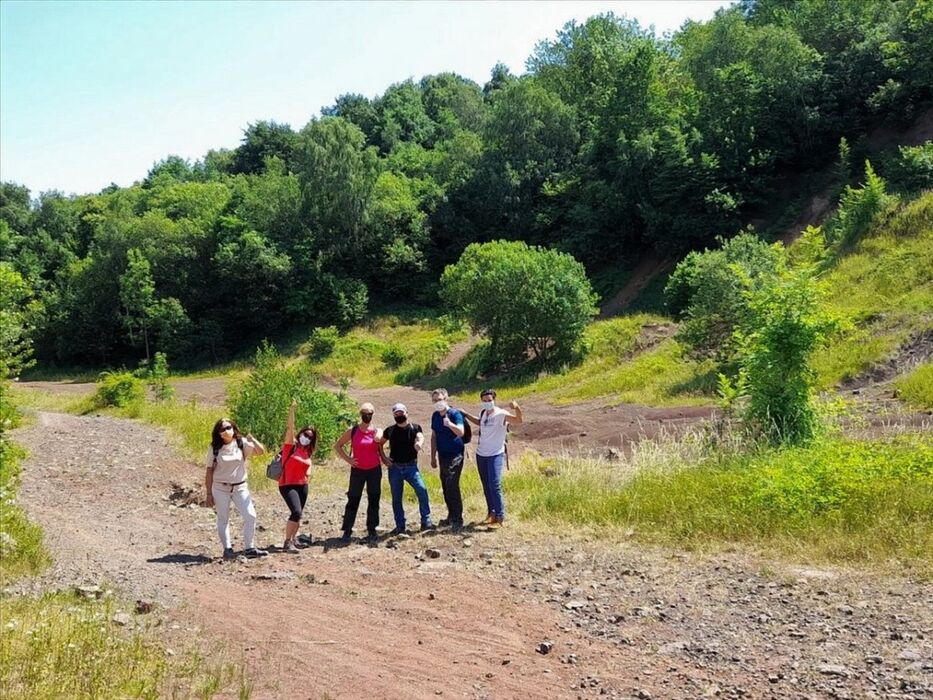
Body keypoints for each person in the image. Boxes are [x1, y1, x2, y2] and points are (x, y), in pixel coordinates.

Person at [205, 418, 269, 559]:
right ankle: (227, 549)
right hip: (220, 487)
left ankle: (249, 548)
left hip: (240, 487)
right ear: (218, 433)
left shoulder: (241, 443)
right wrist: (209, 494)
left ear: (234, 429)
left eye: (228, 427)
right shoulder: (214, 448)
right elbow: (209, 470)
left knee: (250, 515)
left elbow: (260, 452)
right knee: (223, 518)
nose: (226, 431)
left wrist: (253, 439)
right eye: (222, 429)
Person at [463, 389, 522, 527]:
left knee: (494, 485)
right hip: (481, 454)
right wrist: (465, 415)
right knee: (486, 485)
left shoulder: (502, 414)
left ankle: (500, 517)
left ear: (494, 400)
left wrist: (517, 407)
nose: (487, 403)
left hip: (496, 454)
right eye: (484, 401)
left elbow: (519, 420)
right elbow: (479, 422)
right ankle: (491, 513)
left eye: (490, 400)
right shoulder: (483, 413)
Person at [379, 402, 433, 534]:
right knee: (396, 497)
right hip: (395, 468)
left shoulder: (415, 427)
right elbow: (379, 444)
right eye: (396, 414)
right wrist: (385, 459)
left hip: (411, 467)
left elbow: (420, 436)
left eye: (401, 413)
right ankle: (400, 525)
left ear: (406, 413)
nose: (399, 415)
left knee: (422, 490)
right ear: (393, 415)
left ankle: (426, 521)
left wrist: (419, 443)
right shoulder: (390, 430)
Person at [334, 402, 383, 543]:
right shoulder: (353, 430)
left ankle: (372, 529)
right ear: (361, 414)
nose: (367, 416)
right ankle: (347, 530)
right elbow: (338, 445)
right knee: (353, 499)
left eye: (369, 413)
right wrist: (348, 459)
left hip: (374, 469)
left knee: (374, 499)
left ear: (373, 415)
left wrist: (379, 435)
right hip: (358, 470)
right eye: (364, 413)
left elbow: (381, 438)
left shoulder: (376, 431)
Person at [278, 399, 316, 553]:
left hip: (302, 485)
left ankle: (294, 539)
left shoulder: (307, 452)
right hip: (287, 484)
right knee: (296, 512)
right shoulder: (291, 446)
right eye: (305, 434)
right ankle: (287, 542)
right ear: (300, 433)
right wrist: (292, 410)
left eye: (310, 437)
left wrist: (309, 472)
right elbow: (290, 428)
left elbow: (308, 464)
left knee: (299, 514)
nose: (306, 437)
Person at [429, 388, 466, 532]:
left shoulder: (454, 414)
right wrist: (433, 457)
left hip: (456, 454)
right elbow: (433, 437)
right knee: (445, 485)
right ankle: (451, 515)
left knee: (452, 484)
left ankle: (458, 519)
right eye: (435, 400)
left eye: (440, 399)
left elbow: (461, 432)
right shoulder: (435, 416)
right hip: (442, 455)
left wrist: (450, 424)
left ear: (446, 399)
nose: (438, 403)